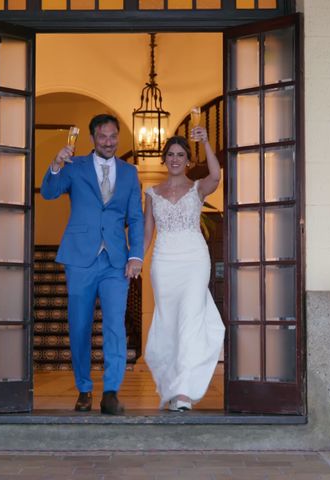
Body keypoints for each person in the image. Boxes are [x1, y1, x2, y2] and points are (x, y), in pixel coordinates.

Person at [40, 114, 144, 415]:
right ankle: (84, 389)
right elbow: (49, 192)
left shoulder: (129, 172)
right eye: (103, 137)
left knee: (115, 326)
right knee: (80, 326)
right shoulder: (76, 167)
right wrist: (57, 164)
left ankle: (111, 392)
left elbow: (135, 217)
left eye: (113, 136)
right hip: (80, 258)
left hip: (116, 261)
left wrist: (135, 255)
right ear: (92, 138)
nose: (109, 142)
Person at [143, 126, 225, 412]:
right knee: (168, 323)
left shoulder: (198, 187)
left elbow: (216, 176)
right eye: (171, 155)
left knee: (190, 321)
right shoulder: (152, 193)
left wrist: (207, 143)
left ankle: (184, 393)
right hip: (164, 261)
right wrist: (136, 261)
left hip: (194, 260)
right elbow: (147, 232)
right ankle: (170, 384)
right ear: (164, 159)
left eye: (181, 155)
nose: (175, 159)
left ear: (188, 160)